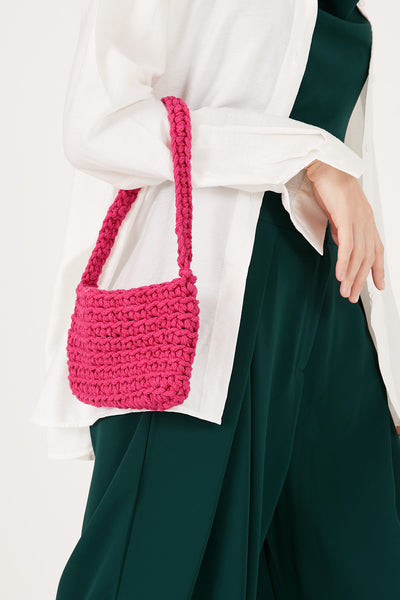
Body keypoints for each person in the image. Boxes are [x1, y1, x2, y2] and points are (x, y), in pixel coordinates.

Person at [32, 0, 400, 597]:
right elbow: (96, 126)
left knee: (363, 568)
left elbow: (356, 192)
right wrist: (305, 157)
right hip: (201, 316)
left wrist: (386, 377)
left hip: (334, 318)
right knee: (155, 577)